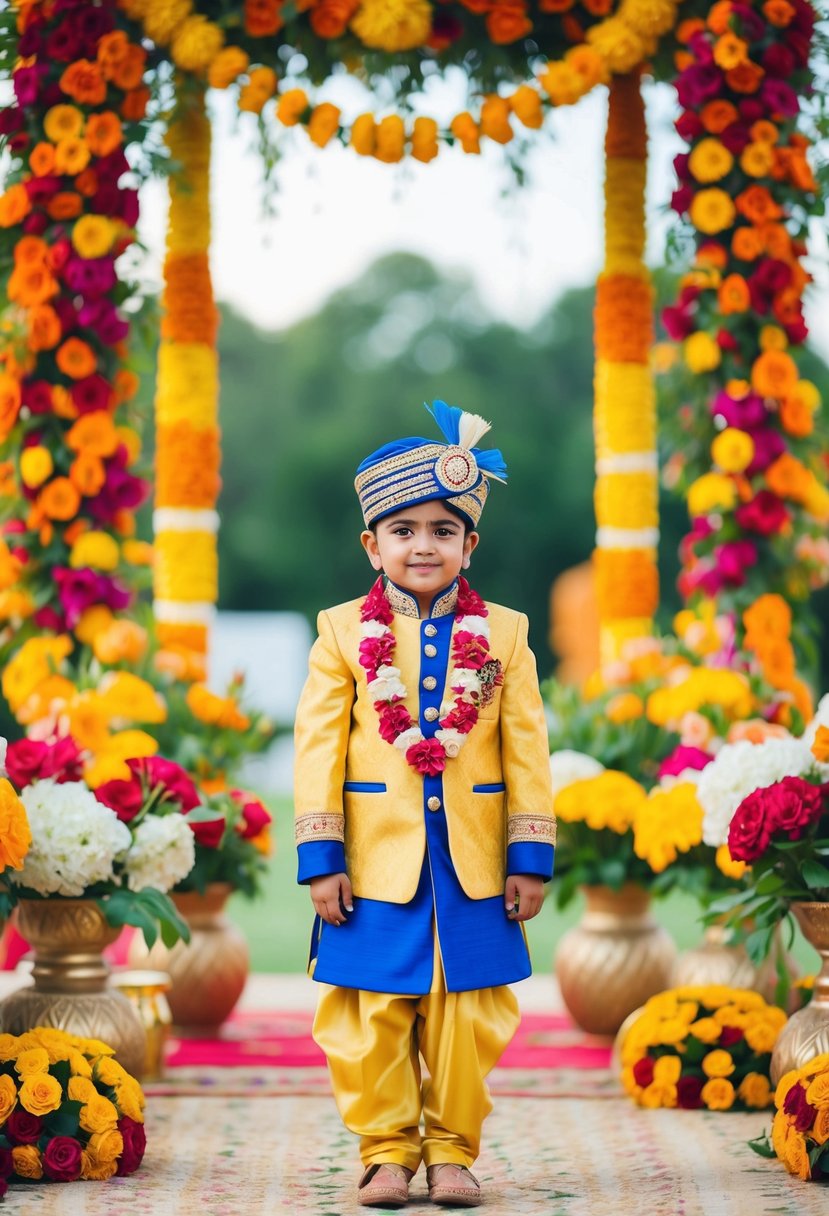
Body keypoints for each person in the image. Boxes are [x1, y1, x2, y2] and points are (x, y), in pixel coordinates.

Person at [294, 400, 556, 1209]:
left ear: (469, 544)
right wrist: (320, 859)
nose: (422, 545)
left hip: (473, 862)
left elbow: (526, 752)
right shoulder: (341, 632)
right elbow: (317, 751)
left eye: (442, 530)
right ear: (371, 544)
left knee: (466, 1019)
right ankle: (385, 1153)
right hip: (374, 860)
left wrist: (530, 857)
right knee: (371, 1016)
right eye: (402, 530)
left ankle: (450, 1152)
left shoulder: (506, 633)